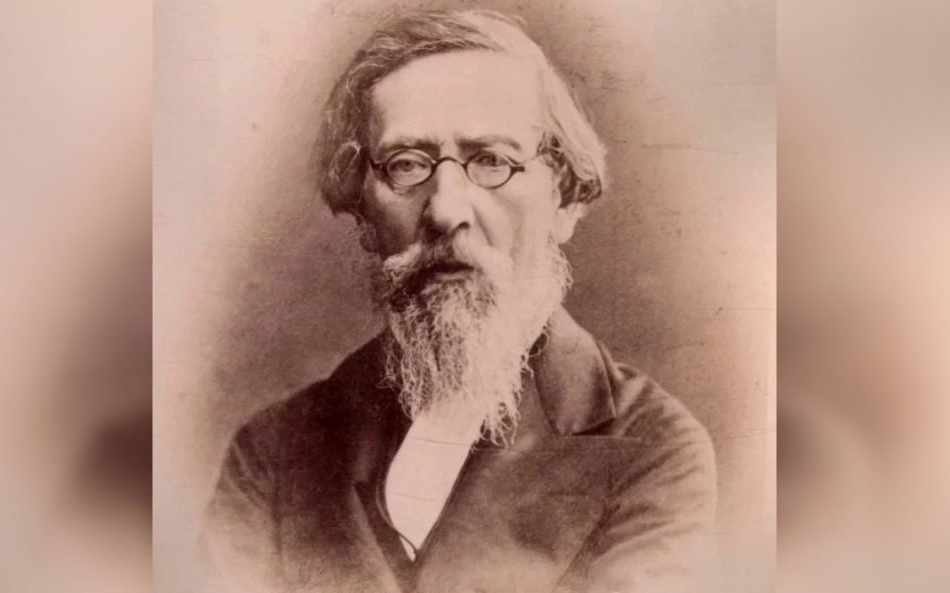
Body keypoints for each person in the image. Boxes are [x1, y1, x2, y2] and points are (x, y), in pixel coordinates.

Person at [203, 9, 717, 593]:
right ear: (364, 214)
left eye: (492, 160)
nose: (446, 210)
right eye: (406, 165)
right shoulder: (273, 452)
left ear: (565, 199)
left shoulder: (653, 450)